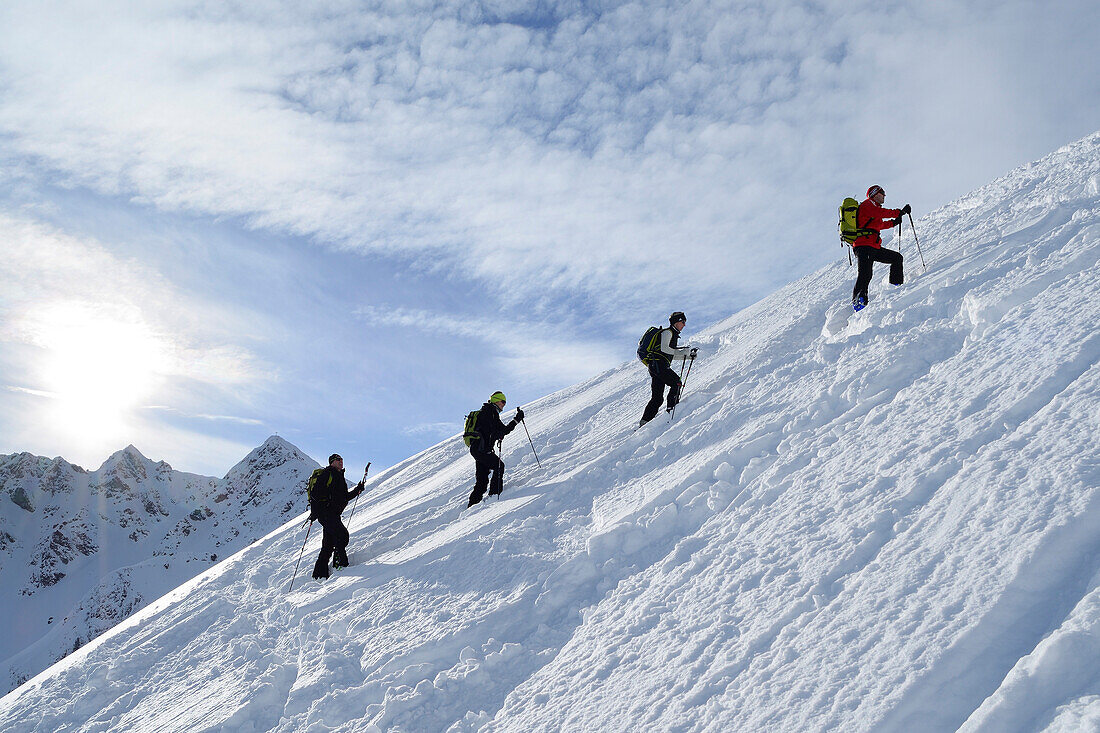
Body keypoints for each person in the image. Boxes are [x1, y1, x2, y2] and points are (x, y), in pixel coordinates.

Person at [851, 185, 911, 311]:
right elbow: (881, 214)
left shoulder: (873, 209)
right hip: (864, 245)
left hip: (872, 246)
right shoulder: (868, 205)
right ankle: (858, 301)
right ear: (875, 194)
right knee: (865, 273)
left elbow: (879, 225)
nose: (884, 195)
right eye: (882, 192)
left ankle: (896, 286)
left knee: (896, 258)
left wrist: (894, 222)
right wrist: (899, 212)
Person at [310, 453, 365, 579]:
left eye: (341, 459)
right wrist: (320, 508)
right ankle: (340, 564)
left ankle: (319, 574)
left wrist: (358, 490)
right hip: (327, 513)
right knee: (342, 535)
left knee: (328, 545)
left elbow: (343, 497)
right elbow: (316, 493)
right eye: (338, 460)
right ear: (332, 462)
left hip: (332, 514)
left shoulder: (339, 476)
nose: (341, 462)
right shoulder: (327, 473)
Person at [638, 311, 697, 427]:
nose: (684, 325)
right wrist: (682, 351)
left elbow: (671, 355)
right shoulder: (667, 332)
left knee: (657, 397)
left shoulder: (672, 335)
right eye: (683, 322)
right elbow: (665, 349)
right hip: (659, 365)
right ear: (676, 322)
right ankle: (672, 410)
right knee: (677, 383)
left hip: (655, 366)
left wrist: (688, 356)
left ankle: (645, 422)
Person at [467, 391, 523, 507]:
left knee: (482, 481)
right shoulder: (489, 412)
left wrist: (516, 420)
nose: (504, 405)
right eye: (502, 402)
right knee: (499, 466)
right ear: (496, 400)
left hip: (478, 449)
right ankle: (494, 494)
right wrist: (515, 421)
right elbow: (497, 430)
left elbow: (502, 430)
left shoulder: (489, 412)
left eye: (505, 403)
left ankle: (472, 506)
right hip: (483, 450)